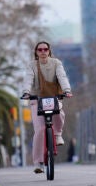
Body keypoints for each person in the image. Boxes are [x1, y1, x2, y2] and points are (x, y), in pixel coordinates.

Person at [22, 41, 73, 174]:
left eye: (45, 49)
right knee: (39, 130)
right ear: (36, 52)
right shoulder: (32, 65)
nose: (43, 52)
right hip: (36, 100)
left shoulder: (56, 63)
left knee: (59, 113)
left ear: (49, 51)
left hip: (54, 98)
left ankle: (57, 134)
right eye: (40, 50)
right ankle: (38, 163)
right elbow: (28, 79)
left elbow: (62, 77)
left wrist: (67, 90)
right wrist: (26, 92)